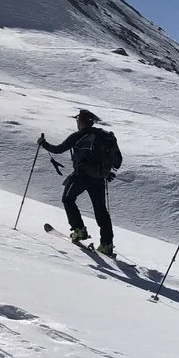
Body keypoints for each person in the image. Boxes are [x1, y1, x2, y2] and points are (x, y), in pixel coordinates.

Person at [39, 109, 122, 256]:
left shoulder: (79, 136)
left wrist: (43, 144)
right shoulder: (104, 136)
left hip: (82, 175)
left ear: (81, 122)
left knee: (68, 199)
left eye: (77, 120)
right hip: (99, 178)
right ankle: (107, 245)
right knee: (101, 210)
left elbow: (58, 149)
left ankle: (79, 230)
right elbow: (117, 162)